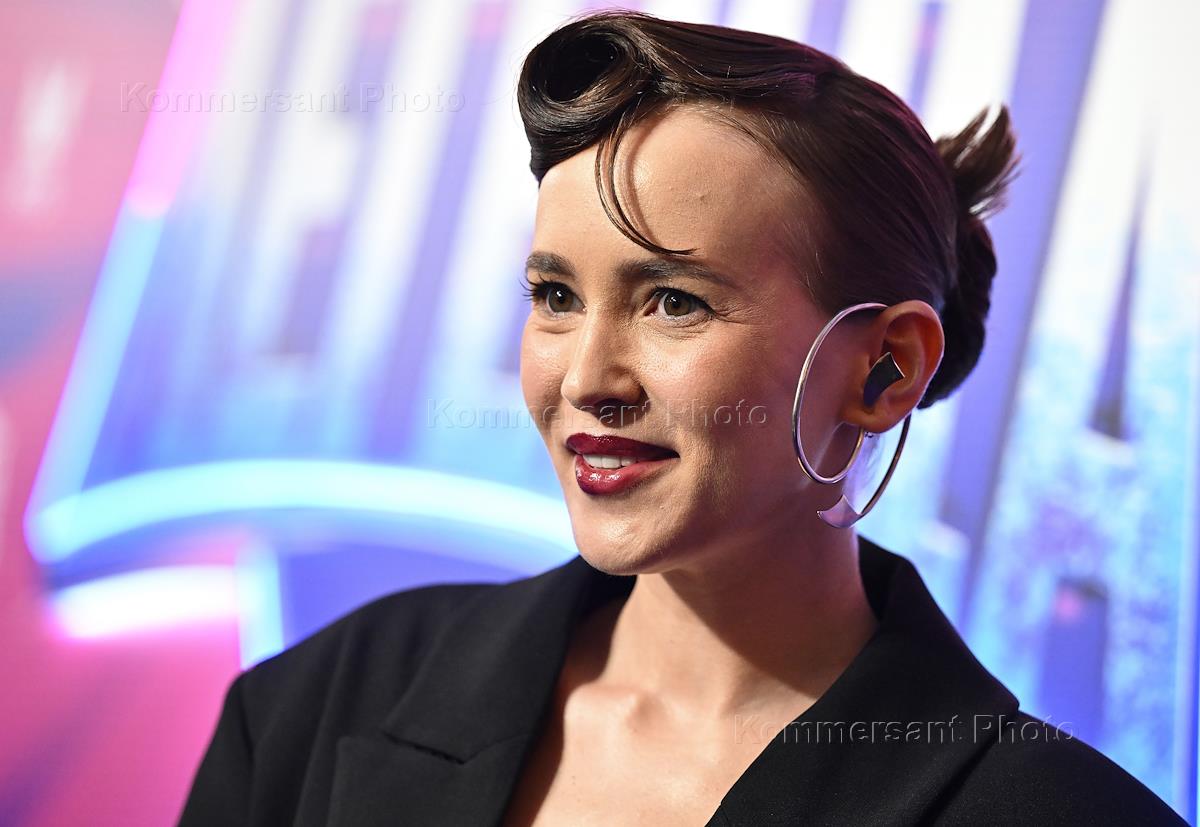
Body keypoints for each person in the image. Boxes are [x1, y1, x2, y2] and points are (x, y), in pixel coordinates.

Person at [178, 11, 1185, 826]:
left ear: (885, 370)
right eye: (556, 295)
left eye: (673, 301)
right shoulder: (321, 703)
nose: (587, 378)